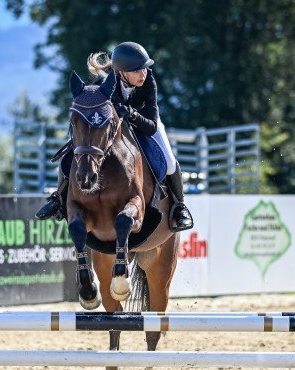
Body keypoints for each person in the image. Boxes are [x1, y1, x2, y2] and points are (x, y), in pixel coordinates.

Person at [36, 41, 193, 232]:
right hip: (112, 129)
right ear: (121, 72)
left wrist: (132, 114)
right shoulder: (104, 85)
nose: (142, 74)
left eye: (144, 68)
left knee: (168, 161)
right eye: (136, 71)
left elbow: (151, 125)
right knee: (73, 152)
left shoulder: (148, 79)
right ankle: (58, 199)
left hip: (144, 123)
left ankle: (179, 206)